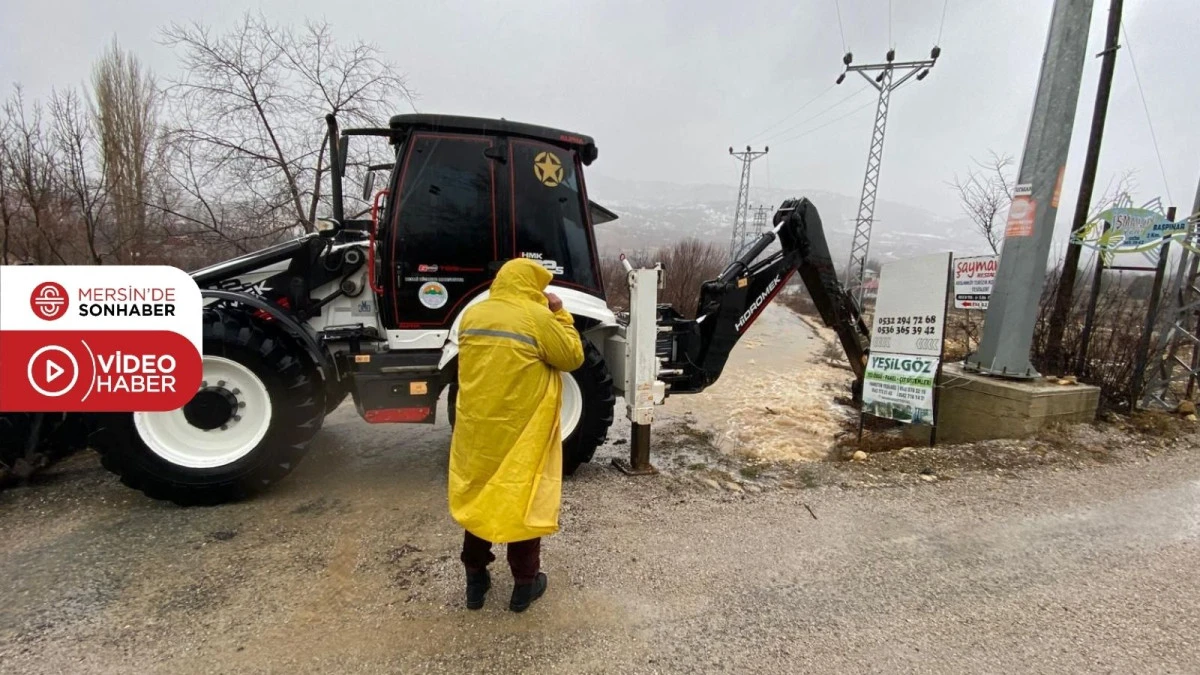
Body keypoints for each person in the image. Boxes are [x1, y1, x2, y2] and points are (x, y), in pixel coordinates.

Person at [447, 257, 584, 612]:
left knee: (480, 499)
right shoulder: (537, 317)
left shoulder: (473, 315)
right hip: (520, 430)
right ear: (530, 285)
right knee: (524, 500)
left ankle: (475, 581)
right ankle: (525, 585)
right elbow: (572, 357)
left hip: (478, 430)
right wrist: (560, 313)